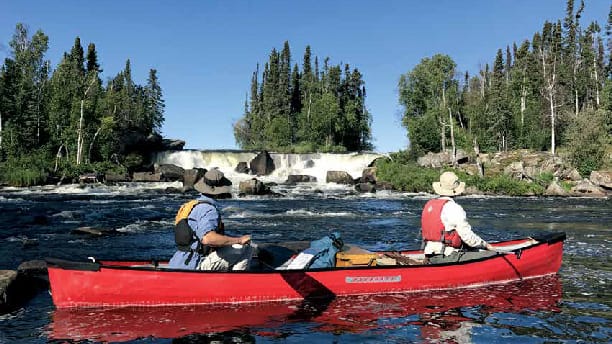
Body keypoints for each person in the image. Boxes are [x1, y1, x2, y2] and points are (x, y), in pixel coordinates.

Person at [168, 169, 252, 270]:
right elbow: (208, 239)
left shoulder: (192, 205)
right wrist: (239, 240)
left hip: (179, 261)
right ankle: (235, 282)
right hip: (196, 263)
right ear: (218, 192)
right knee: (245, 249)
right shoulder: (209, 210)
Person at [421, 171, 496, 264]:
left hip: (429, 254)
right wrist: (485, 245)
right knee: (493, 254)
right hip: (447, 256)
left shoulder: (429, 205)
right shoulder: (454, 208)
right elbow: (468, 238)